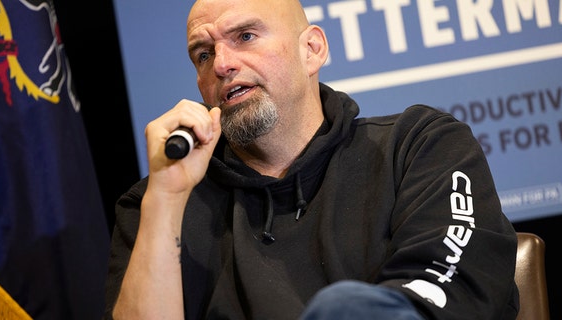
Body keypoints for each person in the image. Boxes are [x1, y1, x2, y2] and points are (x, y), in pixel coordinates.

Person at [103, 0, 520, 319]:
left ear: (312, 50)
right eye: (203, 55)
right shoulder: (156, 204)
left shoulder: (419, 145)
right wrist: (166, 198)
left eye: (245, 36)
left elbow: (450, 291)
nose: (223, 65)